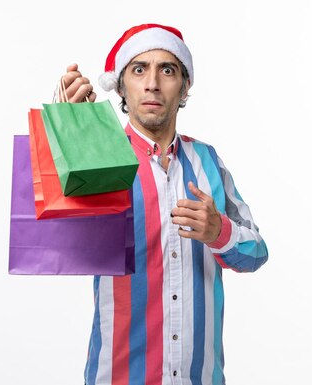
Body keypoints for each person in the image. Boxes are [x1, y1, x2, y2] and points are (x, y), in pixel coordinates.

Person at [60, 23, 268, 385]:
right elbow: (62, 240)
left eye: (167, 70)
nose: (152, 83)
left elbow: (257, 252)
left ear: (184, 86)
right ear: (122, 84)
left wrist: (220, 231)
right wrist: (68, 129)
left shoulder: (208, 161)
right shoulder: (99, 157)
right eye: (139, 69)